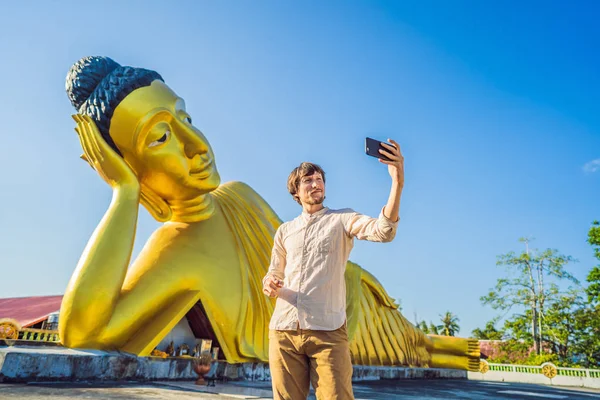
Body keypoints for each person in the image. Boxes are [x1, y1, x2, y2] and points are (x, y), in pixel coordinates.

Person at [61, 55, 478, 376]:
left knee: (419, 347)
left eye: (186, 118)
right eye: (161, 136)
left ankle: (459, 350)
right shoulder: (176, 248)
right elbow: (82, 334)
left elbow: (302, 249)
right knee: (418, 352)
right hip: (311, 337)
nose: (197, 145)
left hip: (346, 299)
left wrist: (395, 184)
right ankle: (458, 351)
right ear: (129, 165)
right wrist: (123, 193)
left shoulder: (237, 194)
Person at [263, 144, 404, 400]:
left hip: (327, 330)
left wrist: (397, 183)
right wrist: (270, 283)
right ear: (295, 191)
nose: (316, 184)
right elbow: (274, 272)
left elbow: (384, 231)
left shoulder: (342, 219)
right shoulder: (284, 231)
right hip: (283, 330)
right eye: (308, 180)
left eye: (319, 179)